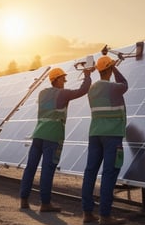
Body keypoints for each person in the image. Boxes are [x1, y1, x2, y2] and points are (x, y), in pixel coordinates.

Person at [20, 65, 93, 212]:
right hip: (53, 137)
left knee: (30, 168)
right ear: (56, 79)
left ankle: (23, 200)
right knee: (48, 169)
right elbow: (82, 91)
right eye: (63, 78)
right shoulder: (63, 93)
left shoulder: (42, 93)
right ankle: (45, 203)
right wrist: (87, 76)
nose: (65, 80)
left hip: (38, 135)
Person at [82, 55, 128, 225]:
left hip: (95, 134)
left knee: (90, 172)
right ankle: (105, 215)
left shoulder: (92, 89)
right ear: (108, 69)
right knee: (109, 173)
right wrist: (115, 67)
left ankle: (87, 213)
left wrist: (109, 66)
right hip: (112, 135)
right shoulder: (114, 88)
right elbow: (125, 84)